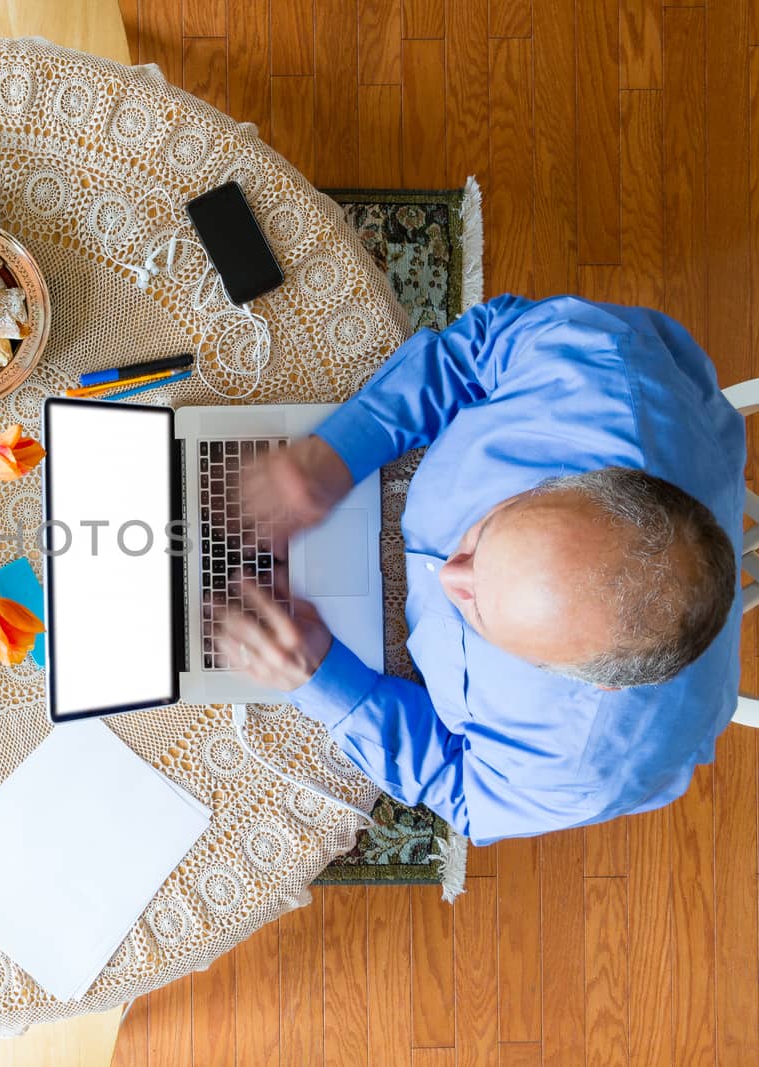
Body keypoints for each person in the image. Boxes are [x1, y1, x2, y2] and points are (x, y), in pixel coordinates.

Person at [217, 294, 743, 844]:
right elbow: (473, 353)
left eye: (482, 614)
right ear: (576, 483)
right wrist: (339, 451)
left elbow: (463, 794)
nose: (447, 577)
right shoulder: (595, 361)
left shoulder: (578, 771)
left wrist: (325, 682)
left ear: (578, 680)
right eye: (488, 534)